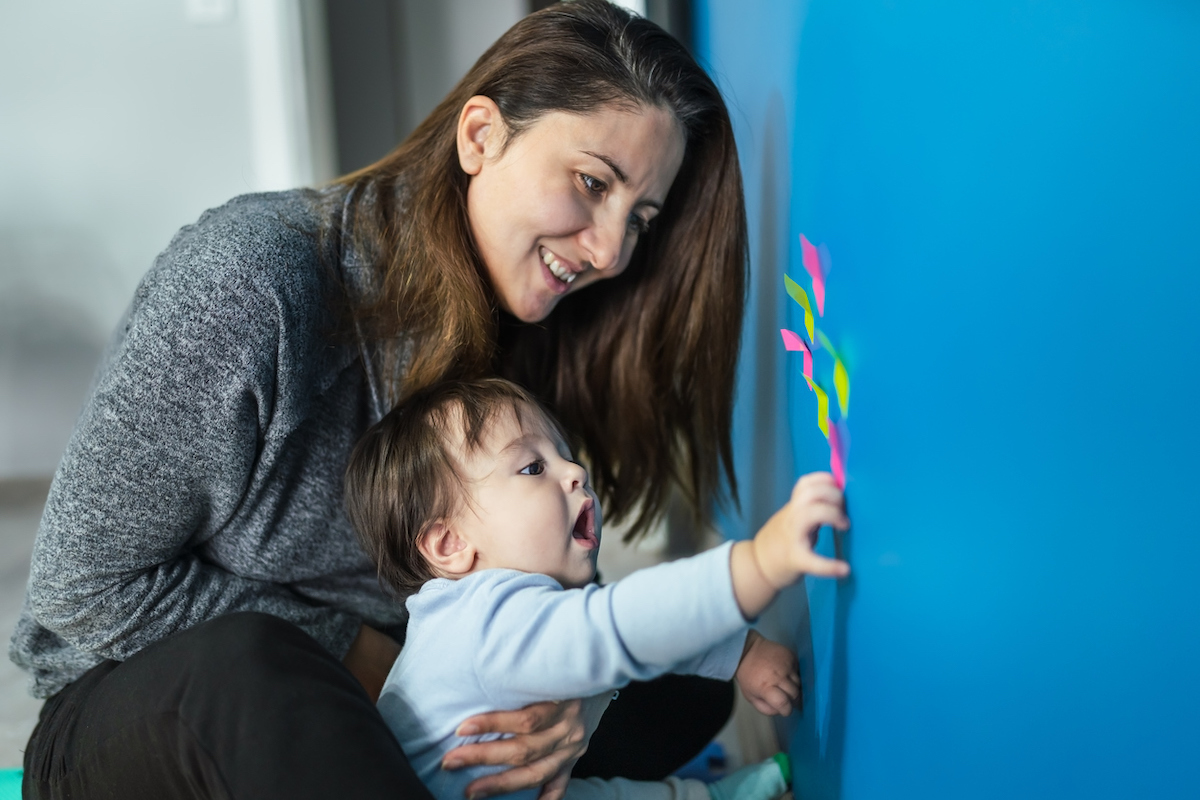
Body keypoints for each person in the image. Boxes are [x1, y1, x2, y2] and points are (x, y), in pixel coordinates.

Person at [11, 2, 751, 798]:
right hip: (174, 715)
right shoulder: (248, 282)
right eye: (590, 183)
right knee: (256, 663)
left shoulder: (540, 335)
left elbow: (558, 585)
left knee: (694, 671)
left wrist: (574, 698)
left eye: (638, 218)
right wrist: (376, 660)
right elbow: (81, 591)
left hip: (414, 710)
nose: (610, 251)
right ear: (480, 137)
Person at [344, 378, 850, 800]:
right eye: (532, 468)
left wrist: (740, 653)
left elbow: (610, 624)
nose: (575, 472)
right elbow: (621, 625)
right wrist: (758, 564)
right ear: (451, 542)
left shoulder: (481, 605)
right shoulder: (484, 624)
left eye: (564, 455)